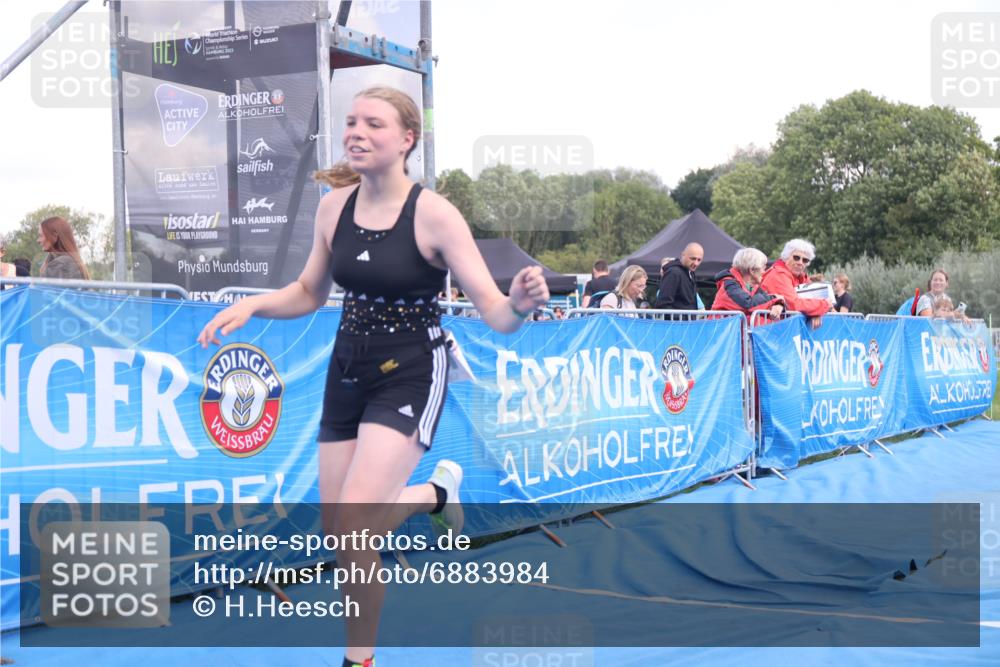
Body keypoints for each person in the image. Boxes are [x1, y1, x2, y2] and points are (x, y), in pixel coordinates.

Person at [197, 86, 549, 667]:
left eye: (373, 124)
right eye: (351, 122)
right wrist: (255, 304)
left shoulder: (434, 214)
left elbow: (496, 314)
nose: (356, 133)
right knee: (340, 534)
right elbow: (309, 291)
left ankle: (358, 660)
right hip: (347, 370)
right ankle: (434, 494)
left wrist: (520, 304)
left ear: (407, 139)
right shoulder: (333, 207)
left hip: (411, 371)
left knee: (356, 527)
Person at [759, 239, 831, 323]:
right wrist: (823, 305)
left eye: (805, 260)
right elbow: (794, 304)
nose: (800, 262)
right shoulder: (778, 275)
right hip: (771, 328)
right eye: (796, 258)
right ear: (786, 257)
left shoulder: (801, 277)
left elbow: (813, 300)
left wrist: (816, 313)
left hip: (787, 327)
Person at [710, 248, 784, 318]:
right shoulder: (730, 285)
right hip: (719, 327)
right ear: (752, 270)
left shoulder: (750, 286)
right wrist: (775, 298)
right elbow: (748, 305)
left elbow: (764, 302)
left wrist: (778, 305)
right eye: (763, 268)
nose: (764, 272)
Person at [653, 243, 703, 310]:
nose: (696, 263)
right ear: (683, 255)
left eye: (699, 260)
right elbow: (663, 304)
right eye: (693, 258)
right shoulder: (674, 273)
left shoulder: (690, 273)